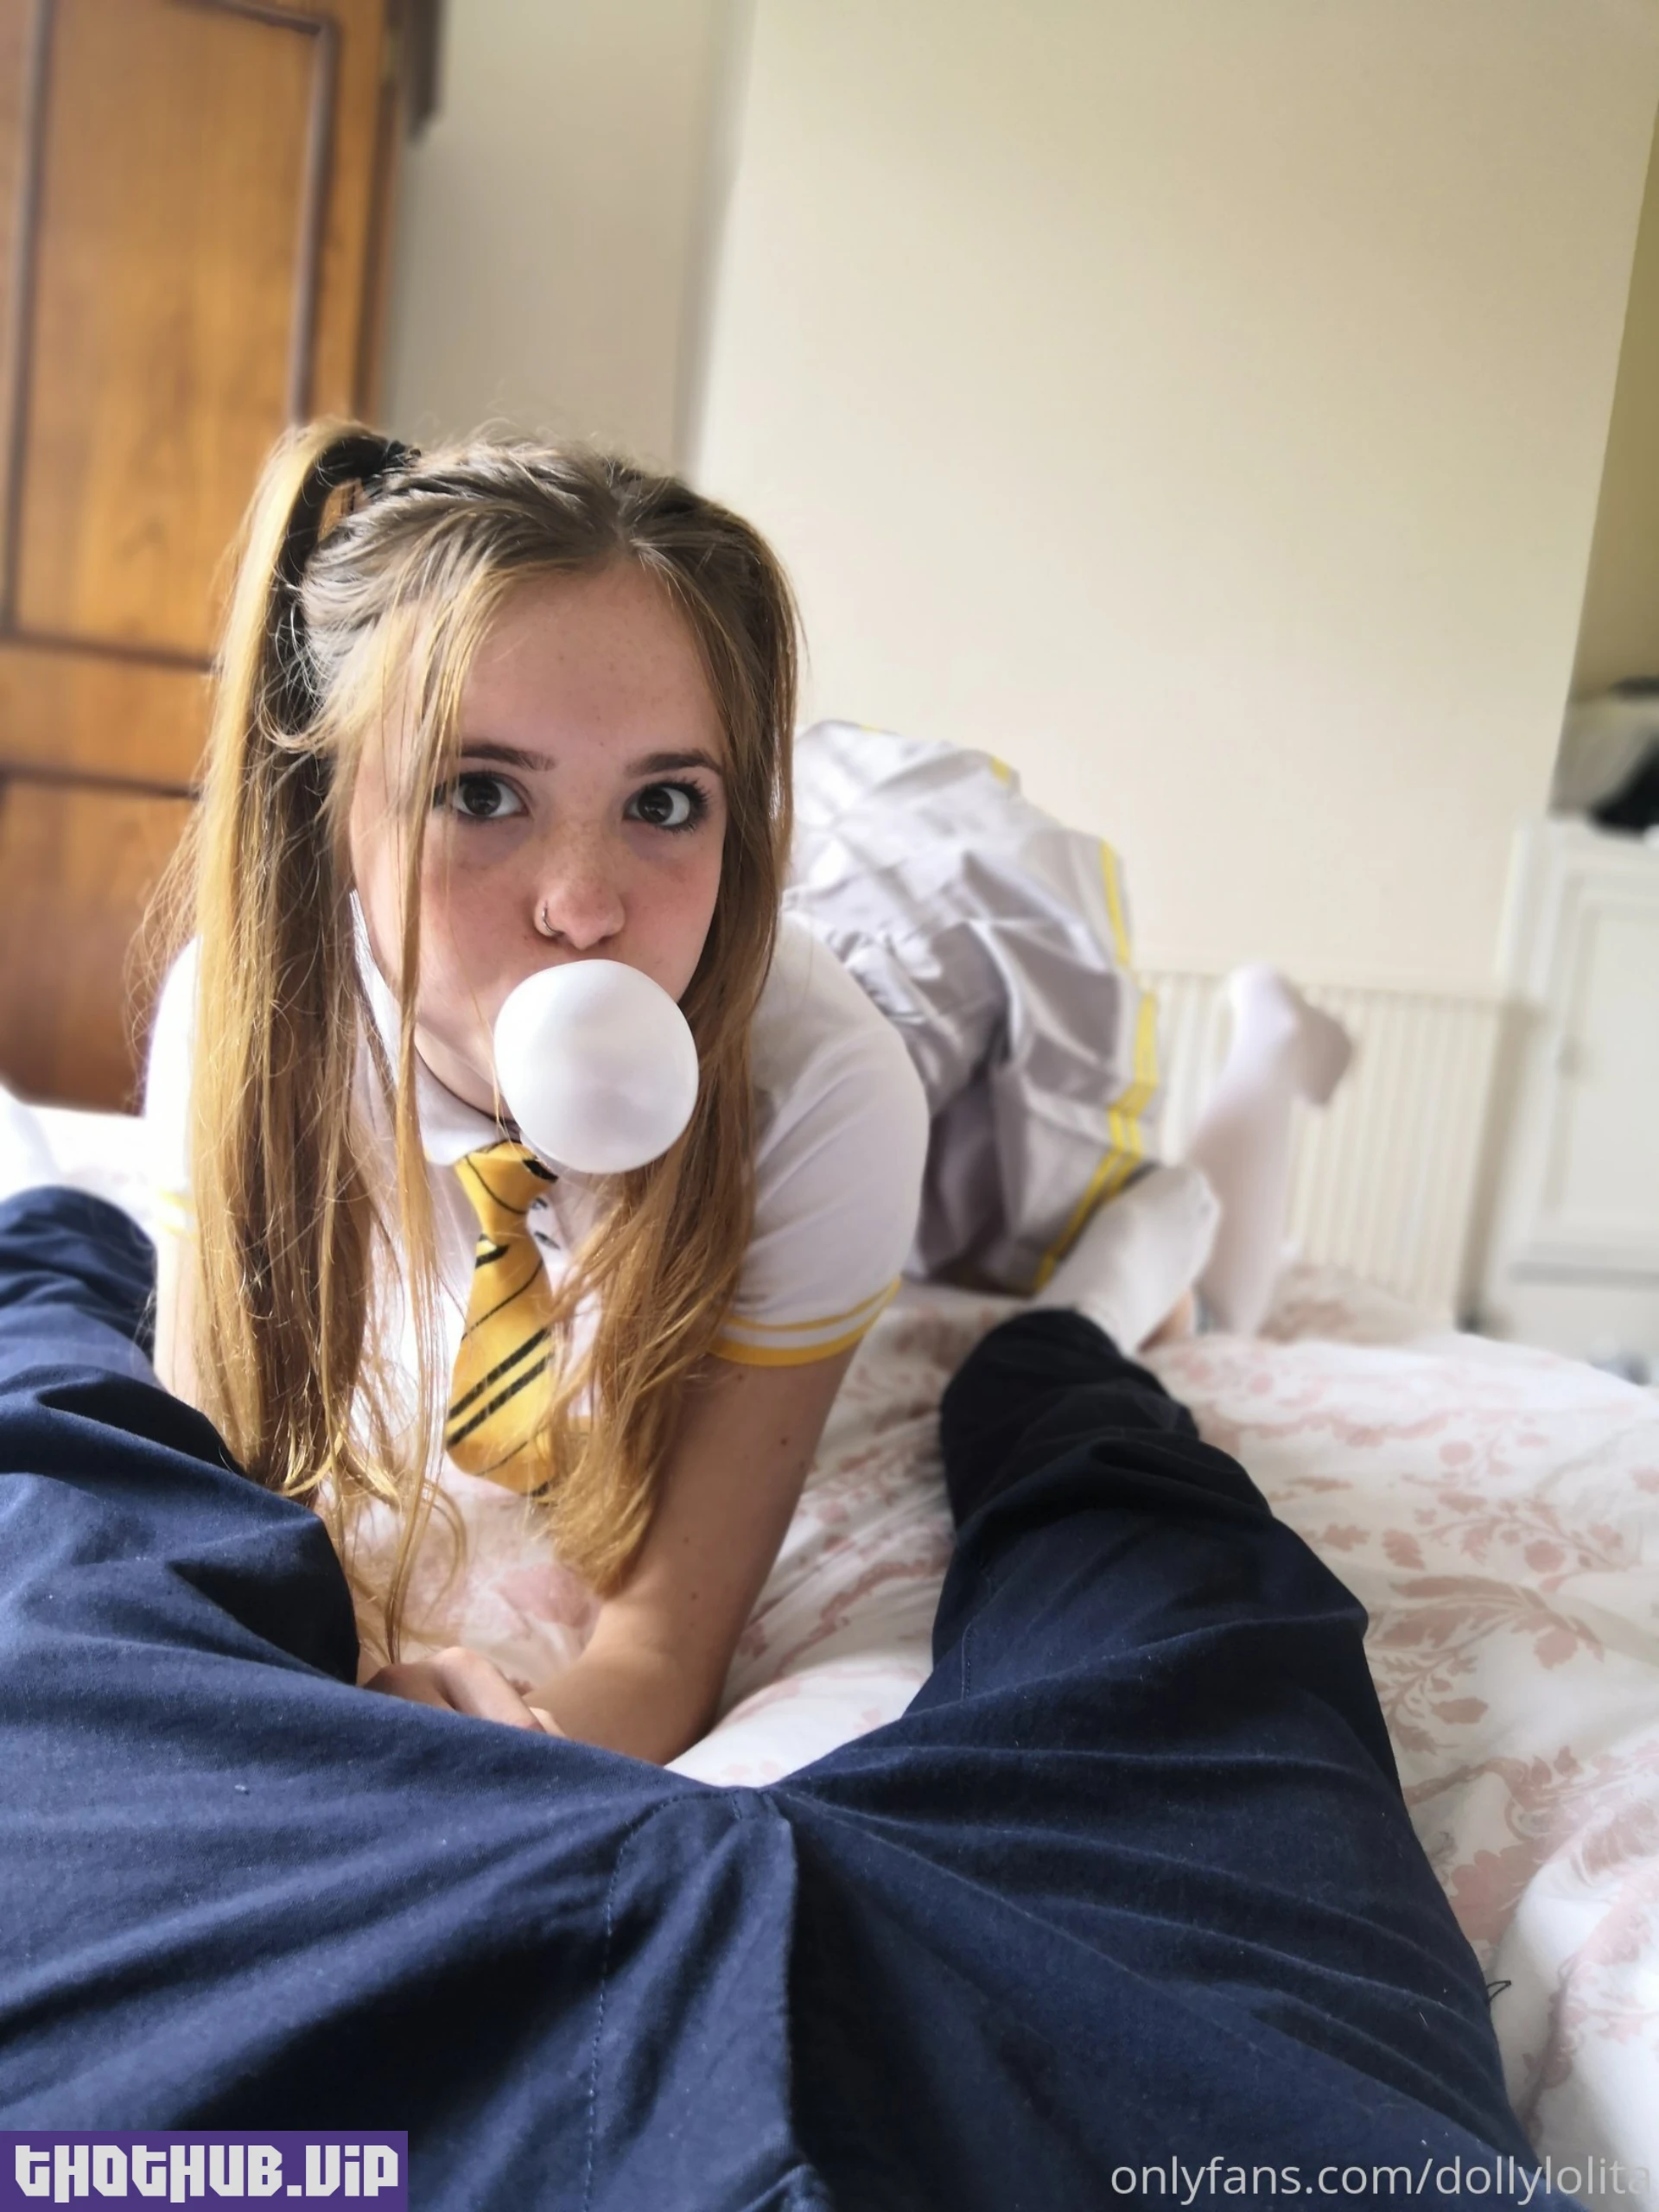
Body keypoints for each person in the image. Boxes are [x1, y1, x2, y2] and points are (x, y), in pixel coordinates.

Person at [0, 1162, 1573, 2208]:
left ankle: (60, 1239)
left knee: (62, 1506)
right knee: (1176, 1587)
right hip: (1153, 2110)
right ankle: (1069, 1340)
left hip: (259, 2094)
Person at [138, 422, 1351, 1768]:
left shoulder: (829, 1093)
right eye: (481, 793)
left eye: (664, 804)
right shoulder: (238, 1028)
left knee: (1130, 1298)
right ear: (328, 808)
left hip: (946, 981)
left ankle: (1260, 1069)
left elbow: (662, 1654)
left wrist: (499, 1757)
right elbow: (203, 1528)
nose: (584, 908)